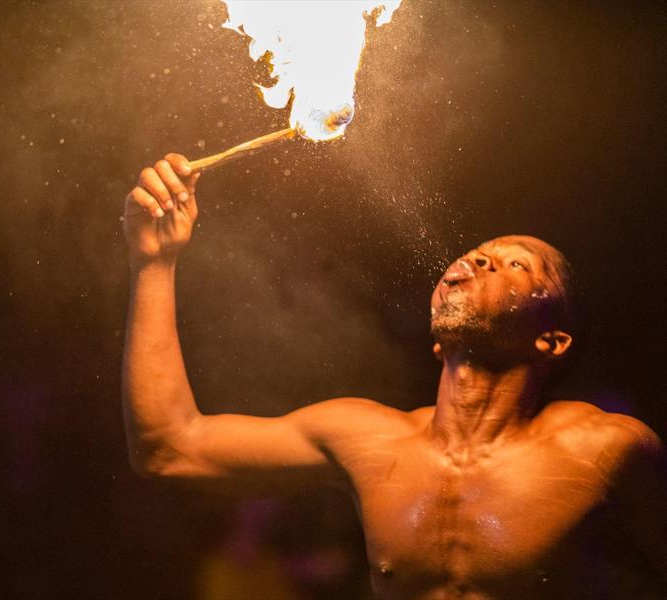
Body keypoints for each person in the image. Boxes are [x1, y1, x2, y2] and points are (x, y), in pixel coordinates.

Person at [121, 153, 667, 599]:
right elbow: (170, 448)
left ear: (551, 339)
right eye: (478, 255)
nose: (480, 260)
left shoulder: (607, 450)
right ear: (438, 341)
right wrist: (154, 263)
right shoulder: (368, 440)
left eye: (516, 264)